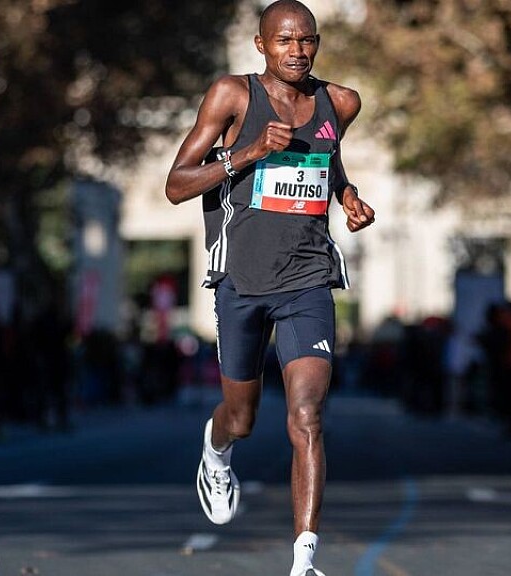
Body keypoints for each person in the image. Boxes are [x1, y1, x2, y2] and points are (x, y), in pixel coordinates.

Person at [164, 2, 375, 575]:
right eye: (284, 41)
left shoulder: (341, 102)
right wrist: (248, 152)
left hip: (308, 279)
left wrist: (347, 196)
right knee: (243, 417)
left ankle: (304, 560)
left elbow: (327, 162)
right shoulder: (232, 96)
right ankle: (216, 449)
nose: (297, 51)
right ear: (261, 45)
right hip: (241, 280)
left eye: (307, 41)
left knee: (307, 416)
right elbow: (176, 185)